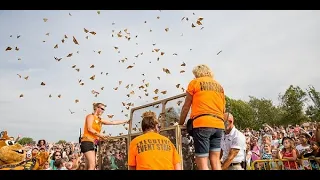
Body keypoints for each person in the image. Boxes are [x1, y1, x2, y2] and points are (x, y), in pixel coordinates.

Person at [179, 64, 225, 170]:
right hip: (219, 124)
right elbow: (223, 109)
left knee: (202, 161)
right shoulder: (219, 86)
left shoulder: (195, 82)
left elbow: (186, 106)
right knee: (215, 160)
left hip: (203, 124)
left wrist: (180, 123)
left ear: (197, 73)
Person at [81, 102, 129, 170]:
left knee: (88, 166)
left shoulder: (100, 120)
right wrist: (101, 136)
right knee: (92, 165)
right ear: (96, 108)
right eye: (102, 108)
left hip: (93, 143)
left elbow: (112, 122)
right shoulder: (90, 116)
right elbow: (89, 128)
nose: (103, 111)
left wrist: (126, 121)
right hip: (87, 141)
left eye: (104, 109)